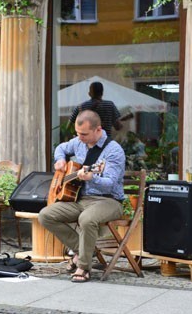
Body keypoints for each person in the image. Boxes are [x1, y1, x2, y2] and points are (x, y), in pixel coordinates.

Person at [39, 110, 125, 282]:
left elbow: (110, 182)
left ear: (98, 130)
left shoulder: (113, 151)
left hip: (108, 200)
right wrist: (60, 159)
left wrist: (92, 178)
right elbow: (61, 148)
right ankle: (84, 249)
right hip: (80, 199)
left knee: (86, 219)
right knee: (46, 215)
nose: (80, 137)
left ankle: (84, 267)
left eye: (84, 134)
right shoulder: (78, 142)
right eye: (78, 134)